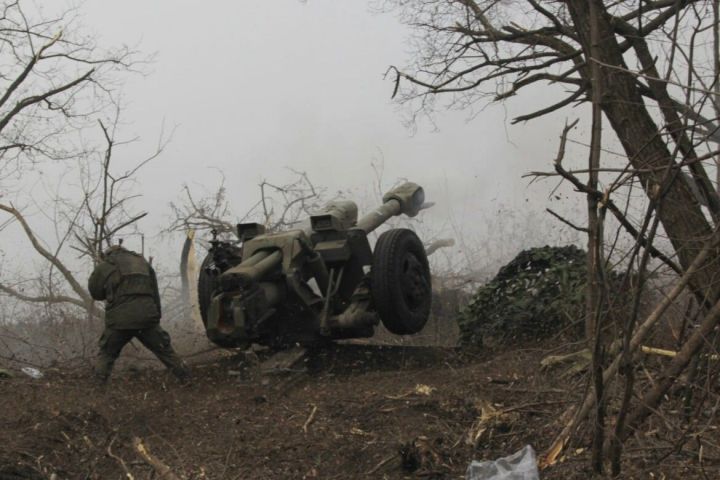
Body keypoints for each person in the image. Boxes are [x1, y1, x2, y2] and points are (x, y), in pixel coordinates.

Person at [88, 244, 190, 383]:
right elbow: (155, 293)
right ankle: (186, 379)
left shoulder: (106, 265)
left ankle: (97, 387)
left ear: (108, 253)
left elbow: (96, 293)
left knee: (107, 353)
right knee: (165, 351)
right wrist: (156, 318)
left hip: (120, 321)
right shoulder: (142, 262)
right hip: (146, 318)